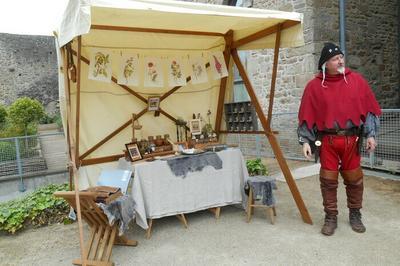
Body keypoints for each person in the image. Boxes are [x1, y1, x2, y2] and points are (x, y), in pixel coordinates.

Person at [297, 43, 381, 236]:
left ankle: (355, 214)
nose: (340, 60)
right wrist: (306, 141)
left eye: (341, 57)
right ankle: (331, 217)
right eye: (335, 59)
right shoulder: (314, 86)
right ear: (325, 63)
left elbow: (368, 110)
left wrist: (371, 135)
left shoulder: (357, 81)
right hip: (327, 142)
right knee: (328, 181)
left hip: (352, 140)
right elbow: (307, 116)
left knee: (355, 180)